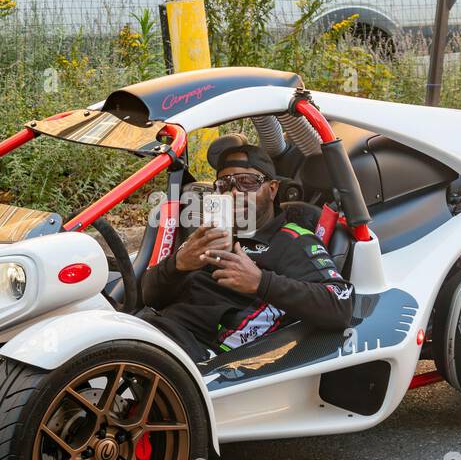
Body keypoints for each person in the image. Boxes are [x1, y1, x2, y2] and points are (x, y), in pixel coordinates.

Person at [137, 135, 355, 361]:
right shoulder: (210, 234)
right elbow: (148, 295)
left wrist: (261, 282)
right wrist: (178, 264)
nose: (234, 192)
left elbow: (341, 304)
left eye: (248, 182)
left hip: (195, 359)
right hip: (152, 332)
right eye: (225, 184)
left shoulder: (293, 240)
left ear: (272, 189)